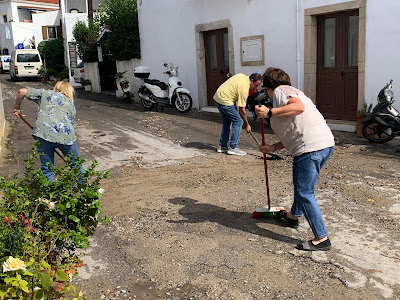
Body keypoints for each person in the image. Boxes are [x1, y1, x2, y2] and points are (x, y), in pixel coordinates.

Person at [255, 67, 335, 251]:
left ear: (268, 86)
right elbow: (292, 131)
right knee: (303, 187)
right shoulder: (287, 96)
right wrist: (273, 147)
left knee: (305, 192)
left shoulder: (282, 91)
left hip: (310, 148)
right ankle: (293, 217)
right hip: (322, 144)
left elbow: (298, 108)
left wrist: (269, 113)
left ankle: (322, 238)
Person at [13, 81, 84, 182]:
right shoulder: (70, 104)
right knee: (76, 165)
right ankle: (86, 191)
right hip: (65, 137)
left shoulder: (45, 94)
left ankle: (46, 195)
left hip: (42, 135)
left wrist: (17, 108)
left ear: (56, 87)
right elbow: (71, 124)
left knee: (47, 168)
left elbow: (22, 91)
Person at [214, 73, 262, 156]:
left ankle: (222, 146)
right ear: (251, 80)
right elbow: (242, 110)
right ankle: (233, 147)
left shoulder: (241, 76)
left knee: (227, 121)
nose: (256, 88)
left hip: (218, 98)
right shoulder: (244, 88)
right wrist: (247, 124)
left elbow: (233, 90)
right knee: (239, 121)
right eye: (256, 85)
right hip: (225, 100)